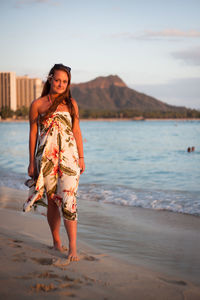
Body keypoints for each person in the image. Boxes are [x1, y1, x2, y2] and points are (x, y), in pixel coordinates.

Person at [23, 64, 85, 261]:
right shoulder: (38, 104)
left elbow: (76, 132)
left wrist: (81, 158)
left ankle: (73, 247)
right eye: (57, 80)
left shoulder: (72, 104)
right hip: (46, 159)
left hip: (69, 159)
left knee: (69, 200)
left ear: (68, 84)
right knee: (52, 202)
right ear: (50, 79)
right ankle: (57, 242)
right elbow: (33, 134)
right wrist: (32, 162)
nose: (60, 84)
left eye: (64, 81)